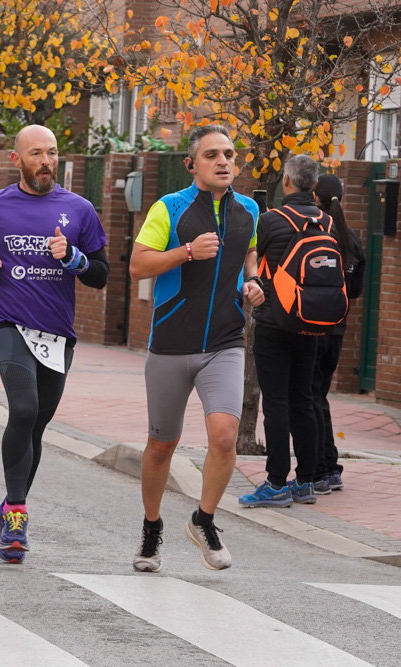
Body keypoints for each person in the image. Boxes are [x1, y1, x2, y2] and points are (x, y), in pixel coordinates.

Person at [0, 125, 108, 564]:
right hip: (8, 323)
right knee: (22, 408)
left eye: (52, 153)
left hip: (56, 333)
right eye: (36, 153)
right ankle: (17, 515)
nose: (46, 161)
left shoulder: (79, 210)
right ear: (17, 160)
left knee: (36, 424)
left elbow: (100, 274)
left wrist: (73, 257)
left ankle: (7, 507)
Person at [130, 125, 264, 572]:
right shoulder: (169, 208)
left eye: (229, 154)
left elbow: (249, 255)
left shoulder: (249, 210)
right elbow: (138, 265)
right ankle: (151, 528)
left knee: (225, 436)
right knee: (160, 445)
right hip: (170, 344)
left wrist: (254, 282)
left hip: (225, 343)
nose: (223, 161)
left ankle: (203, 519)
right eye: (212, 155)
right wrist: (186, 251)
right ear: (191, 164)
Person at [238, 155, 327, 509]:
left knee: (275, 402)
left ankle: (276, 483)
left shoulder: (271, 221)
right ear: (314, 186)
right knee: (303, 400)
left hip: (274, 321)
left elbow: (252, 261)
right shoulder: (327, 221)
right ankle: (307, 481)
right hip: (311, 322)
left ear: (286, 182)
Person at [310, 174, 364, 494]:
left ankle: (322, 469)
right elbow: (355, 290)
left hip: (313, 326)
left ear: (315, 197)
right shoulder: (351, 238)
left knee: (310, 398)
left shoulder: (318, 232)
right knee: (319, 397)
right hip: (338, 329)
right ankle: (330, 467)